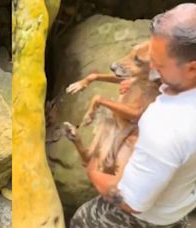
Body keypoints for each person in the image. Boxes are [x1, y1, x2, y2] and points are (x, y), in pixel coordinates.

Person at [70, 3, 196, 228]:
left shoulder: (166, 127)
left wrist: (92, 169)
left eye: (159, 66)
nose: (154, 72)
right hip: (179, 203)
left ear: (192, 68)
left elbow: (130, 202)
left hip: (147, 218)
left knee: (83, 218)